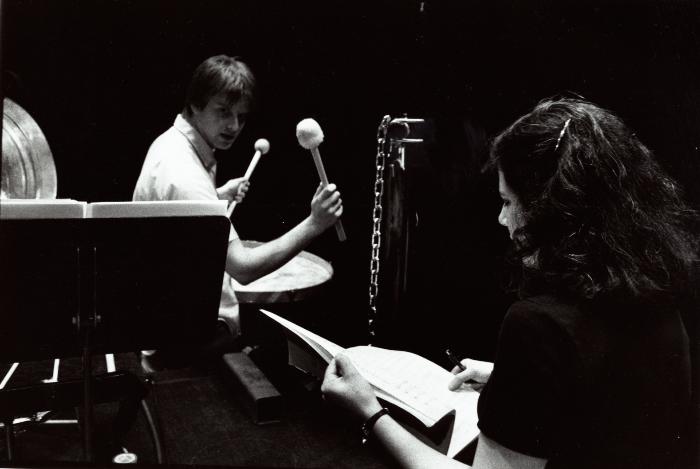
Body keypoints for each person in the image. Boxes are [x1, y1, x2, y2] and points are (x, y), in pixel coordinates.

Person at [321, 98, 697, 469]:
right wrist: (510, 382)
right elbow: (609, 412)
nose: (503, 220)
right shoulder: (657, 295)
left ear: (550, 211)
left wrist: (370, 413)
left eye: (507, 201)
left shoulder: (537, 325)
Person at [133, 55, 343, 367]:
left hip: (169, 327)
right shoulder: (185, 174)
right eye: (223, 112)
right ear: (194, 105)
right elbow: (243, 269)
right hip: (188, 343)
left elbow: (175, 218)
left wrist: (216, 195)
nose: (233, 126)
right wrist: (314, 224)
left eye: (241, 117)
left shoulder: (170, 146)